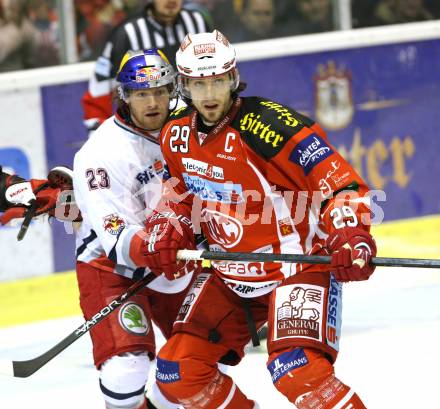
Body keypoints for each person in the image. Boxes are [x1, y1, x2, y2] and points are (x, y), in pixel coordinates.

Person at [140, 30, 377, 408]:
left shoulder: (269, 126)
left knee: (295, 369)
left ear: (232, 77)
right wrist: (169, 225)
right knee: (177, 370)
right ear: (183, 86)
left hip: (296, 267)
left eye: (218, 80)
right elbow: (180, 192)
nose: (210, 94)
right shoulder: (174, 133)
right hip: (230, 271)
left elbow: (338, 181)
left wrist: (350, 229)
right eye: (199, 84)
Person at [1, 49, 199, 409]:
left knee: (193, 365)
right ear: (124, 96)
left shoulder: (194, 127)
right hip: (111, 264)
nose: (152, 102)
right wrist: (152, 247)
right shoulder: (102, 152)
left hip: (176, 260)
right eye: (141, 93)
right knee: (126, 369)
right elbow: (113, 230)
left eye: (160, 91)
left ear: (174, 89)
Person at [82, 0, 212, 137]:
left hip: (196, 128)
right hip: (143, 136)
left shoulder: (198, 22)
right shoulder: (128, 33)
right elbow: (100, 87)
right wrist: (97, 134)